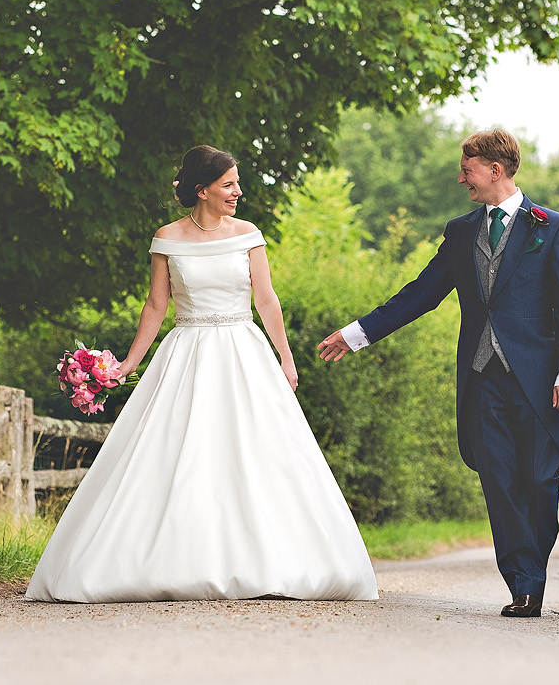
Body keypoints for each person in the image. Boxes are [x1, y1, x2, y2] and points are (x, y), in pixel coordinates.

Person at [26, 145, 378, 603]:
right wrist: (128, 365)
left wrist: (286, 361)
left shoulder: (248, 234)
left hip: (243, 352)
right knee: (177, 452)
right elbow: (156, 305)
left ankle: (271, 561)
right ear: (201, 190)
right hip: (186, 351)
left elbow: (266, 301)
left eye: (236, 183)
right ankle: (168, 560)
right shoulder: (167, 238)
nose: (237, 192)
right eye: (228, 184)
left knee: (256, 453)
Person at [318, 129, 559, 618]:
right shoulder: (461, 232)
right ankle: (524, 585)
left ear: (495, 170)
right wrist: (356, 333)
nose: (462, 178)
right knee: (499, 482)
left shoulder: (553, 227)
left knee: (540, 482)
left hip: (539, 380)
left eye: (468, 169)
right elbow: (421, 292)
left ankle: (533, 568)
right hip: (482, 378)